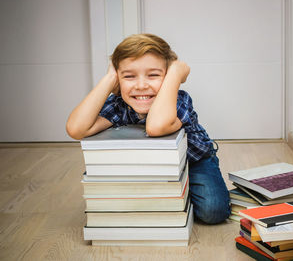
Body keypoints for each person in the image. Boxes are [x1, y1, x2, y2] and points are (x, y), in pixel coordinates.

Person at [66, 33, 231, 224]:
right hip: (151, 168)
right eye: (128, 76)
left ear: (168, 77)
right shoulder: (120, 105)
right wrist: (110, 78)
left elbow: (156, 127)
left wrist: (175, 73)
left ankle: (190, 190)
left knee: (214, 211)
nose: (142, 85)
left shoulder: (179, 100)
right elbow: (77, 129)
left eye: (153, 75)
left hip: (194, 161)